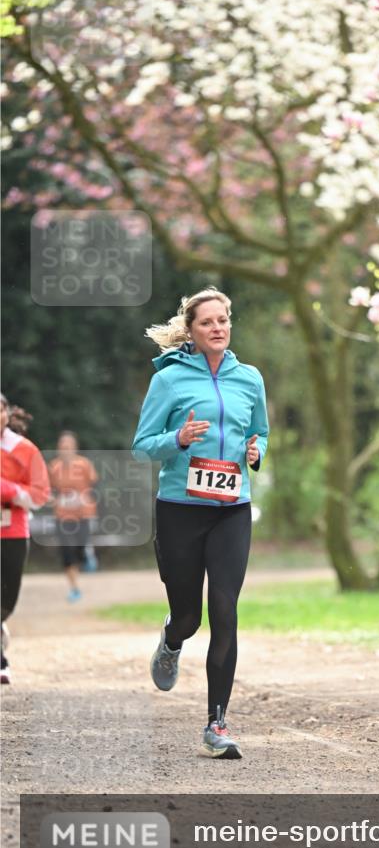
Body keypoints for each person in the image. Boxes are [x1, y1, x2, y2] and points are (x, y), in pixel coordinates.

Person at [131, 287, 269, 759]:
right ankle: (171, 639)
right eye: (207, 322)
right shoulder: (169, 381)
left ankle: (217, 724)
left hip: (232, 510)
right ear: (190, 330)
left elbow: (262, 431)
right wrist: (180, 439)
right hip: (180, 509)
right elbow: (143, 444)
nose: (218, 328)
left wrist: (256, 452)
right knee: (190, 617)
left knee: (226, 610)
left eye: (223, 320)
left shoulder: (249, 378)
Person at [1, 393, 51, 684]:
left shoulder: (24, 450)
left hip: (12, 530)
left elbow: (39, 495)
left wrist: (5, 489)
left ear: (7, 414)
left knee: (8, 597)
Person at [47, 431, 99, 602]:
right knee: (67, 552)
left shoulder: (84, 465)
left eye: (68, 446)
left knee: (79, 548)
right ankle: (74, 588)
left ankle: (87, 554)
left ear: (74, 448)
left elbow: (93, 485)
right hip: (62, 515)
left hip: (82, 514)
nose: (65, 449)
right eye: (62, 446)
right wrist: (55, 499)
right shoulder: (54, 467)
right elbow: (48, 490)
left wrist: (83, 498)